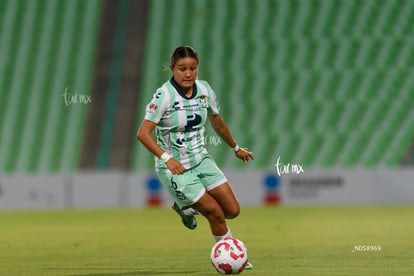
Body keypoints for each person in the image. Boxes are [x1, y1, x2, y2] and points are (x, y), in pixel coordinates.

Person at [136, 46, 254, 269]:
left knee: (232, 211)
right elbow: (142, 133)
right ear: (172, 69)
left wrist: (236, 147)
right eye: (182, 69)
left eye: (193, 68)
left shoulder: (204, 90)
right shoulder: (164, 95)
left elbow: (217, 121)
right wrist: (166, 158)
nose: (188, 73)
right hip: (176, 169)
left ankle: (184, 207)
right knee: (215, 213)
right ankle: (230, 256)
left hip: (202, 160)